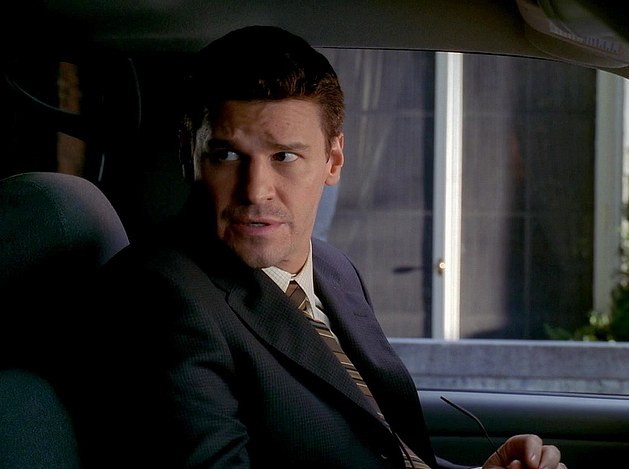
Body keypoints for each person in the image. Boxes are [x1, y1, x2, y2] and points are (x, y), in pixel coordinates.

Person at [80, 25, 565, 469]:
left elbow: (379, 448)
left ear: (334, 160)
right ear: (190, 158)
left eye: (284, 156)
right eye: (226, 155)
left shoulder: (332, 269)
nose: (256, 190)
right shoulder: (158, 295)